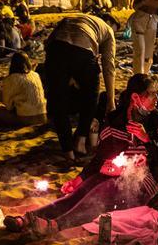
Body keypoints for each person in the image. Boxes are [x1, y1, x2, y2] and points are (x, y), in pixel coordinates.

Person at [9, 74, 158, 233]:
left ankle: (56, 225)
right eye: (152, 94)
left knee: (101, 193)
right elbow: (101, 157)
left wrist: (146, 140)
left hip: (147, 183)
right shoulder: (116, 120)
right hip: (117, 176)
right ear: (136, 97)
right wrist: (80, 179)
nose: (157, 99)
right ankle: (29, 218)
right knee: (84, 189)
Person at [42, 13, 116, 158]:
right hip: (83, 50)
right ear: (110, 23)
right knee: (91, 95)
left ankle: (67, 150)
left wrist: (68, 75)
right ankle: (80, 142)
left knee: (59, 102)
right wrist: (110, 99)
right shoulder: (108, 31)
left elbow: (48, 43)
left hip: (57, 49)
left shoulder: (74, 17)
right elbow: (109, 67)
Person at [0, 52, 46, 126]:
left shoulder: (12, 78)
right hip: (43, 115)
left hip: (25, 118)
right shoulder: (35, 75)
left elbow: (8, 106)